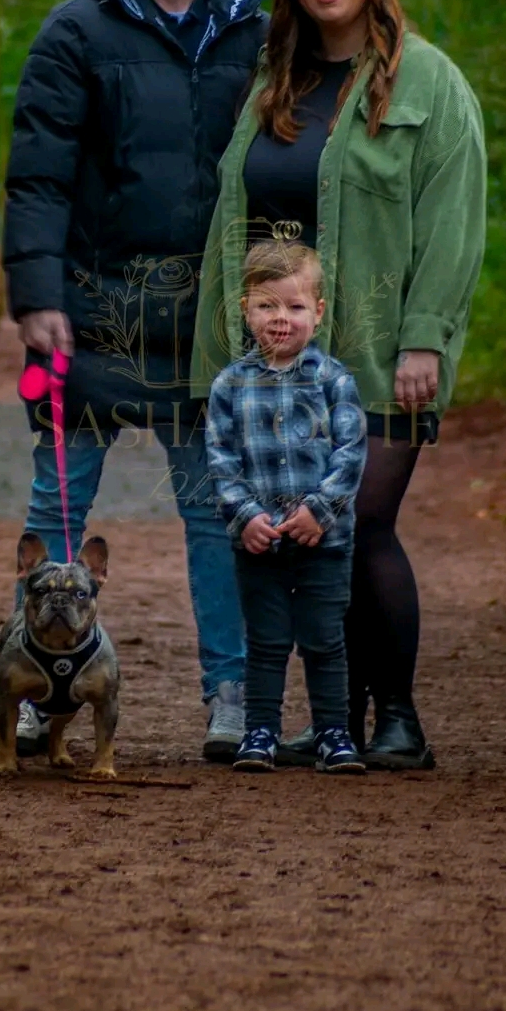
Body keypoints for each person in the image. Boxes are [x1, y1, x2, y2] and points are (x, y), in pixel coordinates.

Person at [193, 0, 487, 769]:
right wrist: (223, 352)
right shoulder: (272, 81)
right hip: (278, 363)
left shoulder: (428, 81)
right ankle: (336, 725)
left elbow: (454, 225)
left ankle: (399, 720)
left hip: (381, 349)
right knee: (316, 540)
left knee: (358, 519)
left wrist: (425, 338)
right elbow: (229, 222)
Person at [3, 0, 267, 761]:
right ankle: (32, 688)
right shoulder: (74, 30)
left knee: (213, 511)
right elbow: (37, 175)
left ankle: (230, 694)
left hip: (206, 321)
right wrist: (36, 296)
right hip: (88, 311)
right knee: (58, 507)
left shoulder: (255, 32)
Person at [205, 240, 368, 774]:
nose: (281, 319)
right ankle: (260, 732)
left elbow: (350, 453)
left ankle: (333, 733)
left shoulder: (334, 380)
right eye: (267, 306)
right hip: (260, 543)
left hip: (325, 540)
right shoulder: (230, 385)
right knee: (267, 641)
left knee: (324, 640)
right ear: (246, 310)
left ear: (317, 313)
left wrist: (321, 509)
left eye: (295, 307)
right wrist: (245, 515)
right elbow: (221, 459)